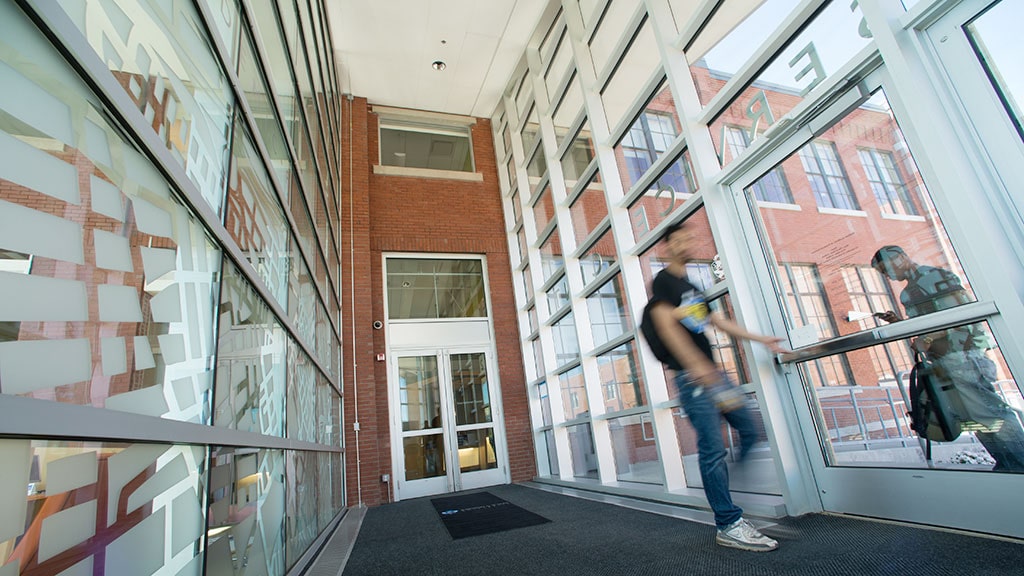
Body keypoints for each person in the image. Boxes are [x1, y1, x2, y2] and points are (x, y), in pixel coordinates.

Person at [640, 222, 788, 552]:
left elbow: (717, 321)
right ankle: (728, 523)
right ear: (667, 247)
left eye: (689, 237)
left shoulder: (692, 285)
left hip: (712, 375)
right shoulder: (664, 282)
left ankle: (724, 493)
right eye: (678, 239)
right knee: (712, 449)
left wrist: (762, 339)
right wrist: (696, 367)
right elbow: (666, 326)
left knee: (749, 430)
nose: (686, 243)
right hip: (694, 378)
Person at [871, 245, 1024, 472]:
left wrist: (929, 339)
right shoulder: (908, 292)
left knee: (990, 413)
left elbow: (957, 316)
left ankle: (1019, 462)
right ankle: (1007, 464)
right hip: (944, 361)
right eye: (883, 273)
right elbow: (925, 327)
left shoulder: (934, 277)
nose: (888, 275)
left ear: (902, 258)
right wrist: (898, 324)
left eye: (887, 268)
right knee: (973, 418)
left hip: (962, 356)